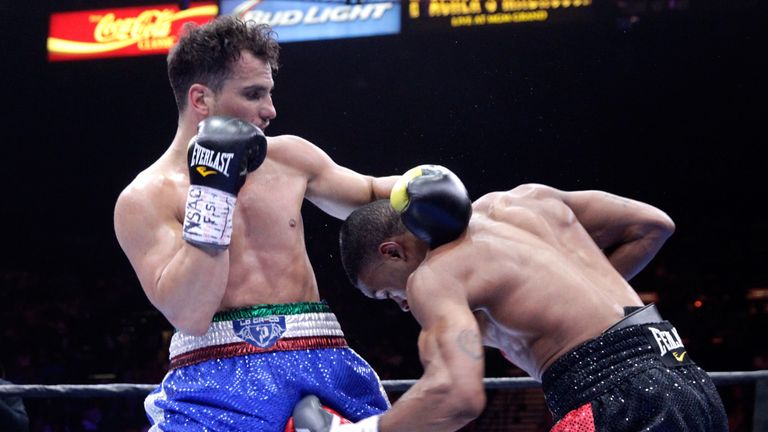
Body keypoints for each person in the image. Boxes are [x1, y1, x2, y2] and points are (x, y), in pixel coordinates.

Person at [113, 16, 399, 430]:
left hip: (319, 358)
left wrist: (420, 184)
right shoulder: (144, 199)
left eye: (269, 93)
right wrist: (213, 194)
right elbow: (190, 312)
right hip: (214, 374)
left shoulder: (289, 157)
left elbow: (370, 193)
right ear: (200, 100)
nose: (270, 110)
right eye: (253, 95)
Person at [291, 165, 729, 431]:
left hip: (614, 402)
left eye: (386, 291)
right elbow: (653, 225)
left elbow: (457, 397)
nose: (400, 305)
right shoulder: (523, 202)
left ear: (392, 251)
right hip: (687, 378)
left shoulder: (435, 276)